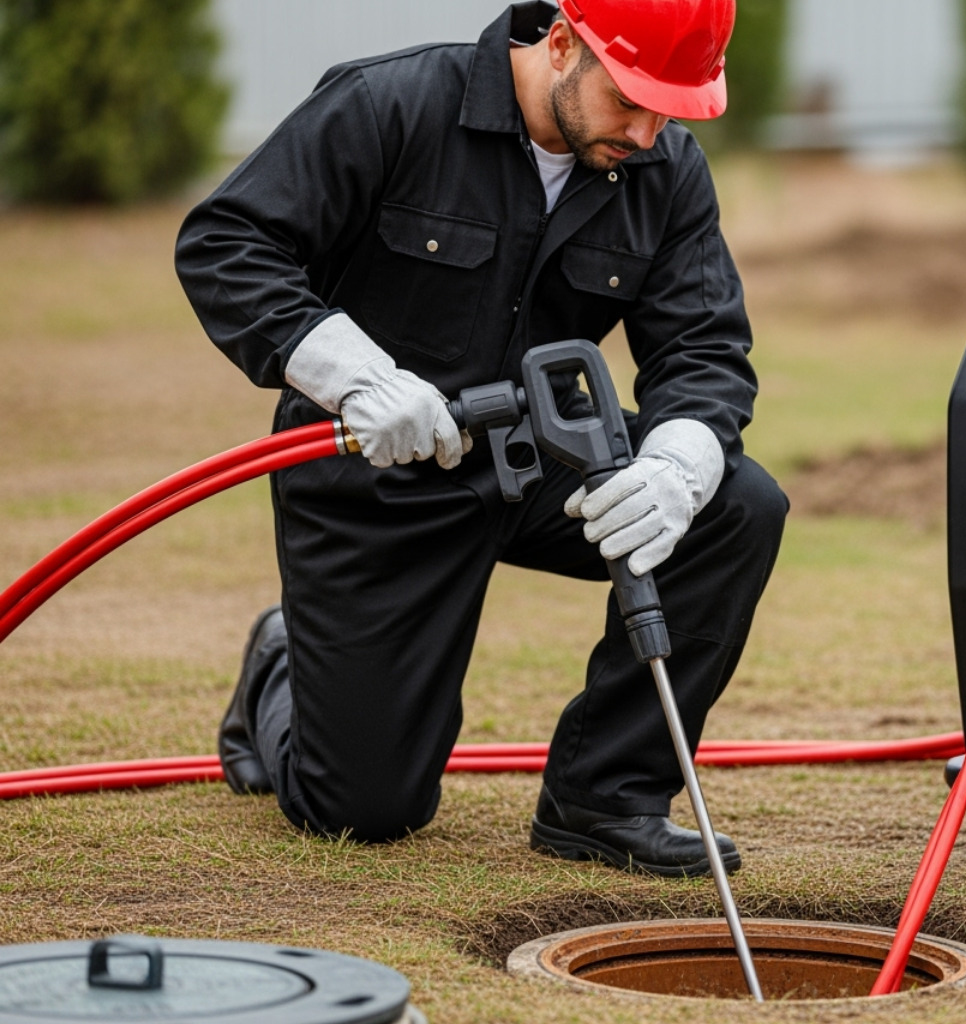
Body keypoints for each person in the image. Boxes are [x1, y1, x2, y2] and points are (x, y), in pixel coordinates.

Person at [174, 0, 787, 878]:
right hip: (379, 479)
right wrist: (352, 375)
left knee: (738, 504)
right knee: (365, 810)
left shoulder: (664, 168)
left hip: (546, 462)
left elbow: (703, 346)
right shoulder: (389, 104)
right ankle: (281, 667)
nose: (650, 133)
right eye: (631, 100)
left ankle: (605, 798)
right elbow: (227, 243)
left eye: (672, 109)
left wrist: (677, 464)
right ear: (565, 43)